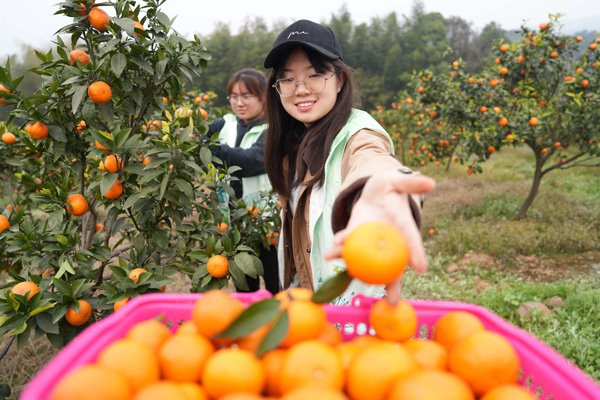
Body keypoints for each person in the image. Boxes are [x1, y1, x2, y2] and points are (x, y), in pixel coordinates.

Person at [262, 20, 436, 305]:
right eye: (288, 78)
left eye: (315, 75)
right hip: (313, 313)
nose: (301, 89)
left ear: (339, 80)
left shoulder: (358, 134)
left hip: (358, 316)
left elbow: (373, 162)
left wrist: (380, 188)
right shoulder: (292, 144)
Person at [206, 68, 279, 295]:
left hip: (268, 223)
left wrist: (211, 150)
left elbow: (252, 161)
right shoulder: (223, 124)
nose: (239, 103)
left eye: (247, 96)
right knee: (244, 287)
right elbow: (196, 138)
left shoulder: (274, 129)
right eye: (234, 96)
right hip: (232, 223)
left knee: (276, 283)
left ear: (264, 96)